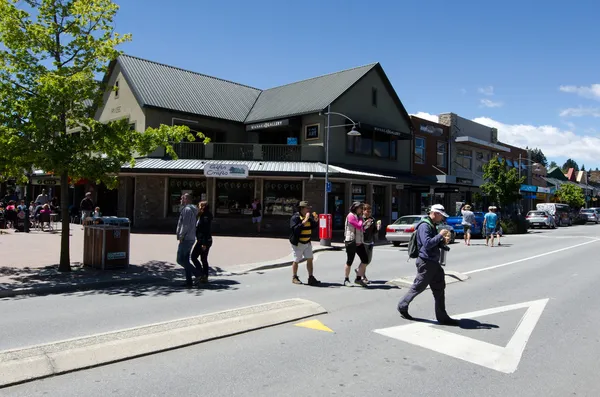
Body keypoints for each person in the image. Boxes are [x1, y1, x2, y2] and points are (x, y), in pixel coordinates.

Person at [397, 204, 458, 326]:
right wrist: (440, 235)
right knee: (418, 286)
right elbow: (427, 243)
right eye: (441, 216)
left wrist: (442, 242)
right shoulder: (425, 226)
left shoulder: (431, 224)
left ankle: (443, 317)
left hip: (433, 262)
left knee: (439, 288)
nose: (442, 219)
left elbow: (433, 242)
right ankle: (402, 305)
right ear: (435, 213)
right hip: (426, 262)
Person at [289, 201, 320, 286]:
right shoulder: (295, 217)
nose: (308, 210)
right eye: (307, 208)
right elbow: (295, 229)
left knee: (310, 259)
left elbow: (313, 226)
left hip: (307, 242)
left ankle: (311, 277)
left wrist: (316, 221)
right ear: (302, 209)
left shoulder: (308, 217)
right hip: (298, 243)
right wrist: (305, 220)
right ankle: (294, 277)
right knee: (296, 260)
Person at [176, 193, 199, 288]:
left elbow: (185, 225)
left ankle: (198, 274)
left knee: (180, 259)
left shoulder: (187, 210)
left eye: (183, 198)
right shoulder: (192, 210)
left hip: (186, 238)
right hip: (190, 237)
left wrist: (181, 236)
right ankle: (189, 281)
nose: (181, 199)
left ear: (187, 200)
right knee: (185, 260)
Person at [343, 202, 369, 288]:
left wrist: (366, 225)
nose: (361, 210)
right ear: (355, 208)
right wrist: (362, 220)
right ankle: (346, 279)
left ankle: (358, 278)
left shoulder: (358, 217)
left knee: (365, 260)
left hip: (359, 242)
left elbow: (360, 228)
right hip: (351, 241)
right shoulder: (351, 216)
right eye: (360, 208)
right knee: (349, 261)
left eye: (362, 208)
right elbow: (358, 226)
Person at [191, 201, 213, 284]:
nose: (198, 207)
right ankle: (204, 276)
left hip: (204, 240)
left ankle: (201, 274)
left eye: (199, 206)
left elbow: (205, 230)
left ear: (203, 207)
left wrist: (204, 243)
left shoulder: (205, 216)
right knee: (203, 259)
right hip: (202, 240)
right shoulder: (201, 215)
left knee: (194, 257)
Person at [358, 203, 378, 284]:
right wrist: (365, 225)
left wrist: (377, 228)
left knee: (368, 260)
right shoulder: (360, 219)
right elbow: (359, 229)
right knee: (364, 260)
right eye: (367, 211)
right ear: (363, 211)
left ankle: (359, 270)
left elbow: (374, 231)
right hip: (363, 241)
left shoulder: (372, 219)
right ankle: (362, 276)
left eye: (370, 211)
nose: (368, 213)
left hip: (370, 241)